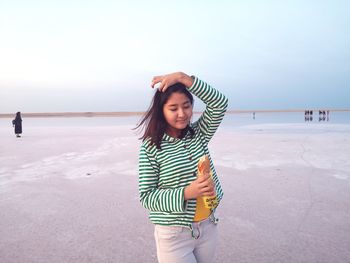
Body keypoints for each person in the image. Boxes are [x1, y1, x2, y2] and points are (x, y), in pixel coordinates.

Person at [136, 72, 228, 263]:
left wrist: (183, 78)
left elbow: (220, 103)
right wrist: (187, 192)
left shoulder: (198, 134)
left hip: (208, 226)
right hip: (173, 234)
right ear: (161, 110)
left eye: (186, 106)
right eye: (173, 108)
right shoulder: (151, 147)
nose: (182, 113)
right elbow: (147, 197)